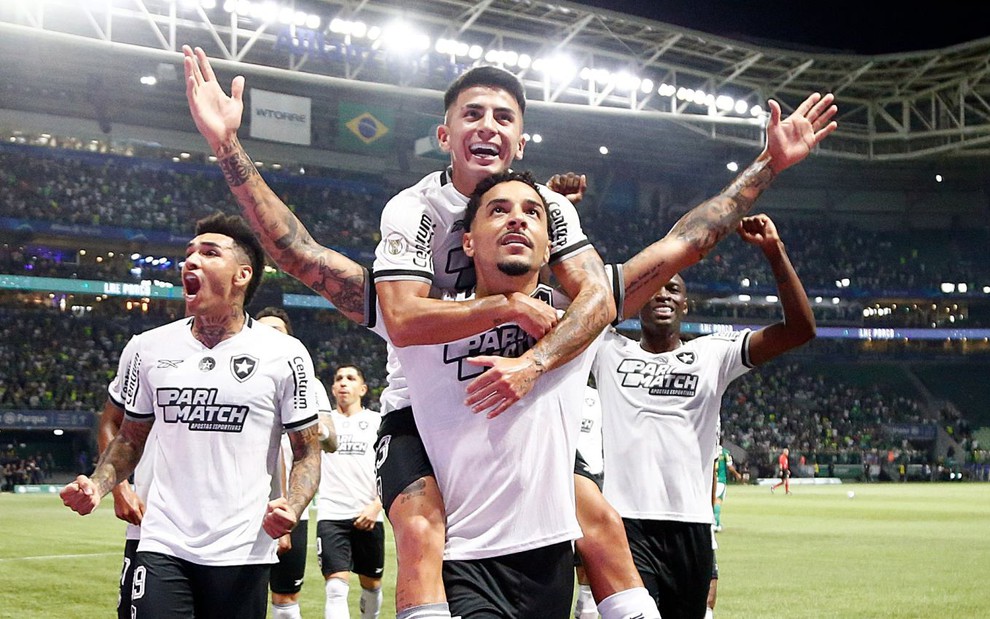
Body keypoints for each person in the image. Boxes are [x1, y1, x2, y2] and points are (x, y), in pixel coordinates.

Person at [182, 44, 836, 618]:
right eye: (472, 114)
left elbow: (649, 265)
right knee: (417, 527)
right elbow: (360, 289)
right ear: (446, 134)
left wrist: (767, 166)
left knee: (598, 517)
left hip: (525, 404)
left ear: (522, 141)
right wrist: (226, 145)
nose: (487, 126)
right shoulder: (414, 209)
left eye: (503, 117)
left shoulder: (548, 210)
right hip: (426, 405)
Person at [60, 213, 323, 619]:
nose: (190, 262)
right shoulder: (149, 348)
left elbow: (307, 450)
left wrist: (293, 504)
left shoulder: (285, 354)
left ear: (242, 275)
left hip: (243, 548)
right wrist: (100, 485)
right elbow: (130, 438)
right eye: (188, 254)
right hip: (162, 541)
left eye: (209, 253)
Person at [591, 213, 817, 619]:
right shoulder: (607, 351)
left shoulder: (714, 354)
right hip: (624, 524)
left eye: (672, 289)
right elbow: (574, 298)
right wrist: (562, 217)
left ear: (685, 303)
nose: (662, 295)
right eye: (653, 288)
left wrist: (774, 252)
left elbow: (799, 330)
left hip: (691, 527)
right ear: (638, 301)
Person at [256, 306, 337, 619]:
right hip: (240, 504)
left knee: (285, 594)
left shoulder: (310, 385)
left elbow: (332, 442)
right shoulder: (234, 379)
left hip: (291, 505)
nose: (267, 337)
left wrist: (314, 428)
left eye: (275, 330)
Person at [316, 364, 385, 619]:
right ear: (333, 389)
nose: (344, 382)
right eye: (339, 379)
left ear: (363, 388)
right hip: (331, 513)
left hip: (369, 513)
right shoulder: (323, 424)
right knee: (335, 587)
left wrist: (377, 505)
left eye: (351, 378)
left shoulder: (376, 422)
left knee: (372, 585)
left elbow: (387, 469)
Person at [713, 444, 743, 532]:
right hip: (720, 481)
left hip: (711, 480)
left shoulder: (710, 450)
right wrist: (737, 474)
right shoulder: (725, 452)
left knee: (711, 501)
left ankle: (711, 522)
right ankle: (716, 524)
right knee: (718, 500)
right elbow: (730, 466)